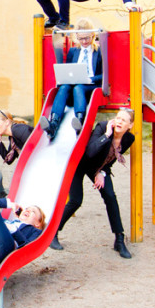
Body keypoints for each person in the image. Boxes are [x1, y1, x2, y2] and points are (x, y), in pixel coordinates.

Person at [55, 107, 135, 259]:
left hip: (97, 168)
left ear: (130, 125)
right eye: (118, 118)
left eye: (123, 120)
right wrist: (107, 135)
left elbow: (109, 160)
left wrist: (102, 173)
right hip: (79, 162)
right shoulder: (102, 127)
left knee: (110, 196)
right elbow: (90, 152)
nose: (119, 121)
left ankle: (119, 239)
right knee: (76, 201)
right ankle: (53, 232)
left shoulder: (128, 139)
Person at [45, 18, 103, 140]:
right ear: (76, 36)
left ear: (93, 35)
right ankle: (53, 124)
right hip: (75, 86)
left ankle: (79, 121)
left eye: (87, 38)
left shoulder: (99, 51)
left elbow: (104, 75)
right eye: (81, 38)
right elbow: (70, 70)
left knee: (79, 87)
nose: (84, 41)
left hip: (90, 87)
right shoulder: (73, 51)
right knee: (65, 87)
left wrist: (89, 78)